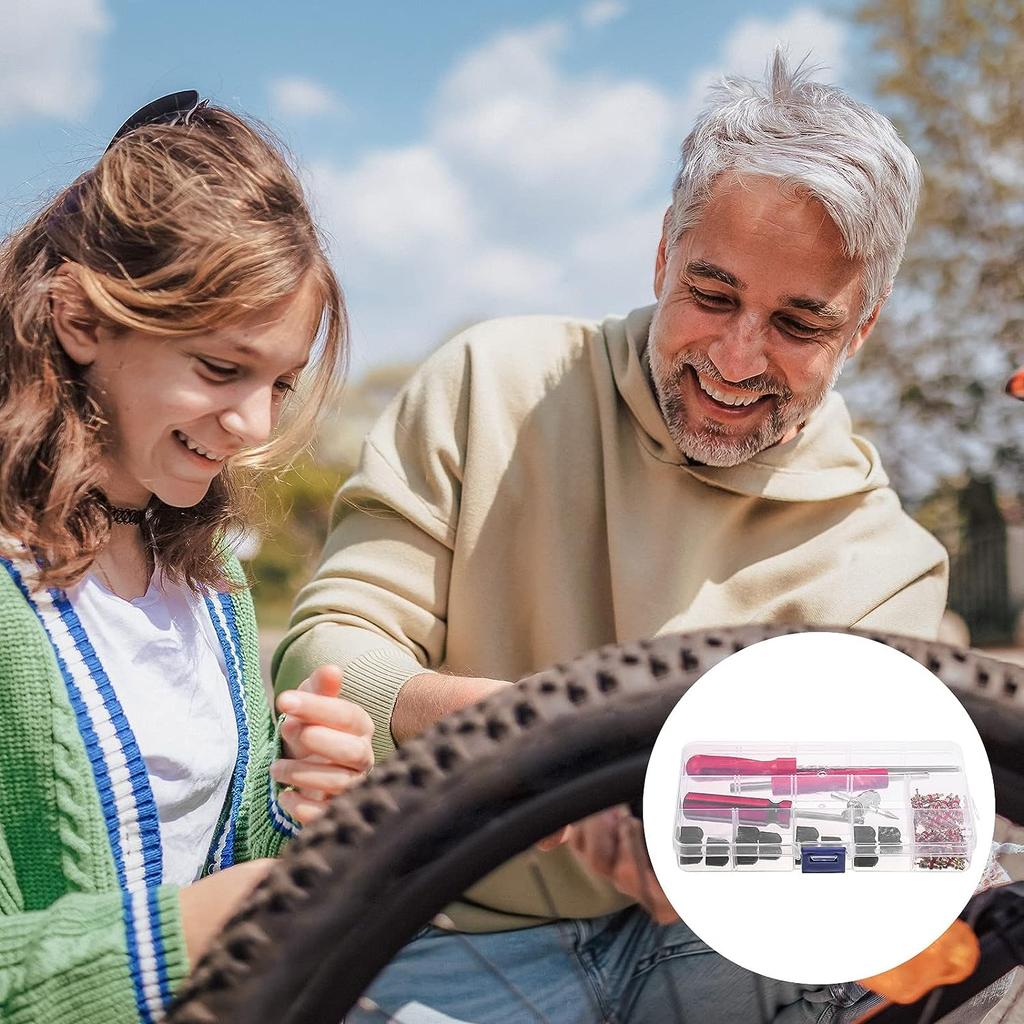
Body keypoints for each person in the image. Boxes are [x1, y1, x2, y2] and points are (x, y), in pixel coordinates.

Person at [274, 54, 956, 1022]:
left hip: (719, 951)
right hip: (450, 931)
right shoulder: (488, 387)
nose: (734, 355)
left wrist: (725, 858)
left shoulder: (886, 562)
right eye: (711, 294)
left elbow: (865, 828)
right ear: (660, 258)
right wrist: (530, 738)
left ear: (861, 329)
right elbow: (329, 651)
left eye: (797, 323)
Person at [0, 93, 374, 1024]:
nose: (254, 426)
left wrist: (304, 809)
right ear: (82, 319)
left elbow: (231, 855)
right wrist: (209, 926)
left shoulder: (212, 582)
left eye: (279, 383)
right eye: (220, 369)